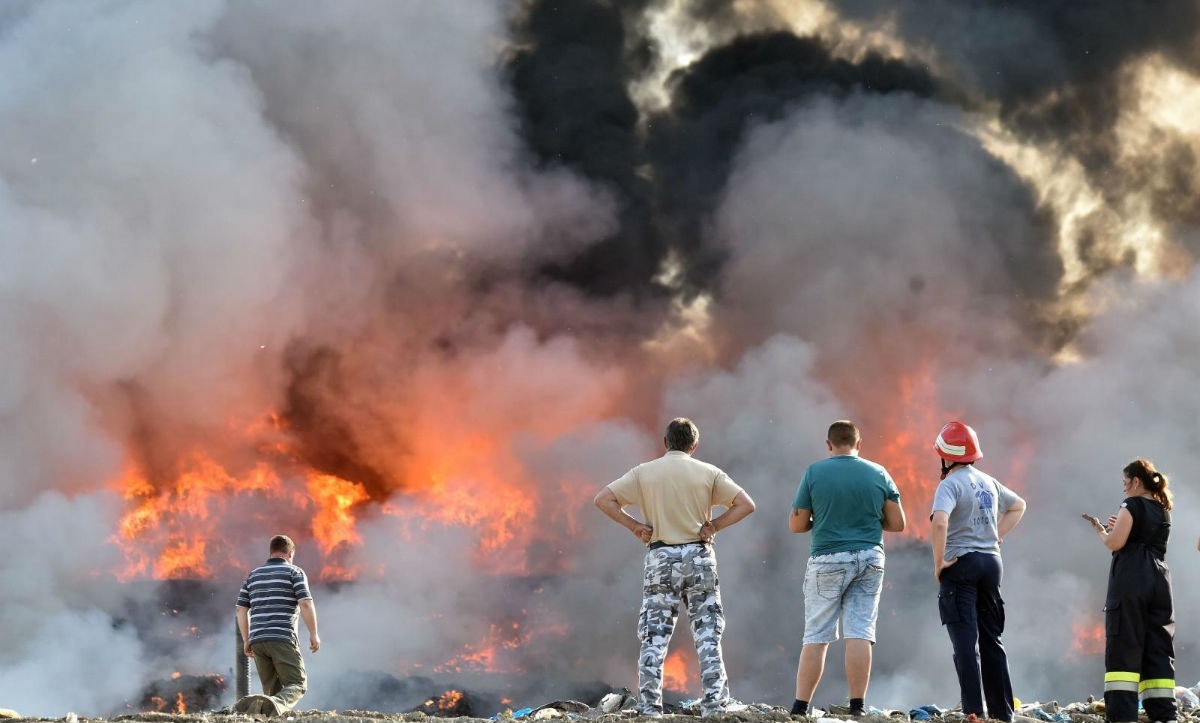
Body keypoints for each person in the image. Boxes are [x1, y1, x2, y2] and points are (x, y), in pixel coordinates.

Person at [594, 417, 756, 718]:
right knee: (708, 634)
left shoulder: (644, 473)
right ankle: (714, 706)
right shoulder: (709, 472)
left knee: (654, 635)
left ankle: (650, 708)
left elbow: (603, 499)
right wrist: (714, 526)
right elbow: (746, 504)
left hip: (661, 557)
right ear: (695, 446)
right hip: (699, 556)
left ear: (665, 442)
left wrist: (634, 526)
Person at [788, 420, 906, 717]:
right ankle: (857, 707)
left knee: (817, 634)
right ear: (859, 444)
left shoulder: (814, 473)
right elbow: (898, 523)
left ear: (829, 445)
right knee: (860, 631)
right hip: (869, 558)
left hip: (827, 558)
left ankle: (800, 708)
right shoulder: (878, 472)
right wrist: (865, 523)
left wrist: (824, 523)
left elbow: (796, 524)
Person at [929, 421, 1025, 723]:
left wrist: (939, 562)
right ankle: (1003, 713)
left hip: (962, 566)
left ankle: (974, 712)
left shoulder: (950, 484)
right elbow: (1019, 505)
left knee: (965, 644)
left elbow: (940, 521)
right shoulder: (988, 481)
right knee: (992, 639)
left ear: (947, 456)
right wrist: (996, 535)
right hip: (991, 564)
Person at [1082, 459, 1177, 723]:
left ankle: (1123, 716)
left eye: (1125, 483)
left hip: (1132, 579)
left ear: (1136, 482)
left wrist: (1102, 530)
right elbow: (1143, 537)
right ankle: (1164, 714)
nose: (1124, 489)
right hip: (1160, 581)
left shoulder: (1131, 505)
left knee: (1124, 643)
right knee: (1157, 645)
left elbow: (1116, 542)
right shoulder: (1163, 508)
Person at [235, 535, 321, 715]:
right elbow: (305, 603)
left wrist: (246, 639)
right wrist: (314, 634)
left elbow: (240, 609)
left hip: (257, 641)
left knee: (271, 694)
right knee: (297, 684)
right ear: (290, 553)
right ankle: (267, 706)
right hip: (281, 637)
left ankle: (262, 710)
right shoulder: (294, 572)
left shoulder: (253, 575)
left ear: (271, 552)